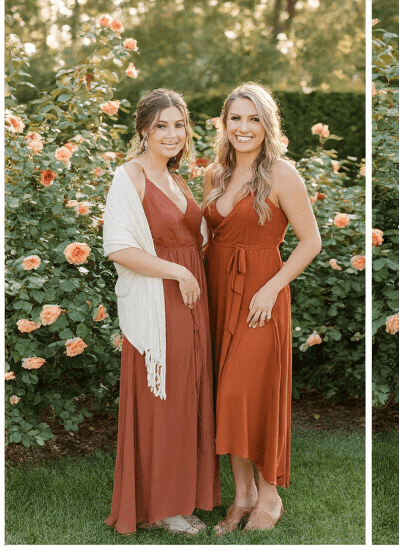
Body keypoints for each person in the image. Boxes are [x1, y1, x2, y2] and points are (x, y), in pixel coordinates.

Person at [202, 85, 322, 532]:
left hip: (261, 294)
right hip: (217, 288)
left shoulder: (282, 174)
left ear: (266, 124)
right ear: (224, 123)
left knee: (244, 392)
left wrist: (272, 288)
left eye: (253, 119)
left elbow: (311, 242)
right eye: (235, 118)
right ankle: (242, 495)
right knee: (225, 395)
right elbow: (206, 236)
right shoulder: (214, 175)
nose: (243, 128)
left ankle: (268, 496)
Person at [103, 89, 219, 536]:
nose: (171, 135)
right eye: (161, 126)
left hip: (191, 298)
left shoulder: (179, 178)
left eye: (178, 125)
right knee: (163, 397)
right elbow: (118, 247)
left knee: (189, 393)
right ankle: (164, 505)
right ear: (143, 131)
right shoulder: (129, 177)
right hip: (159, 298)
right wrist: (177, 272)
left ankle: (186, 495)